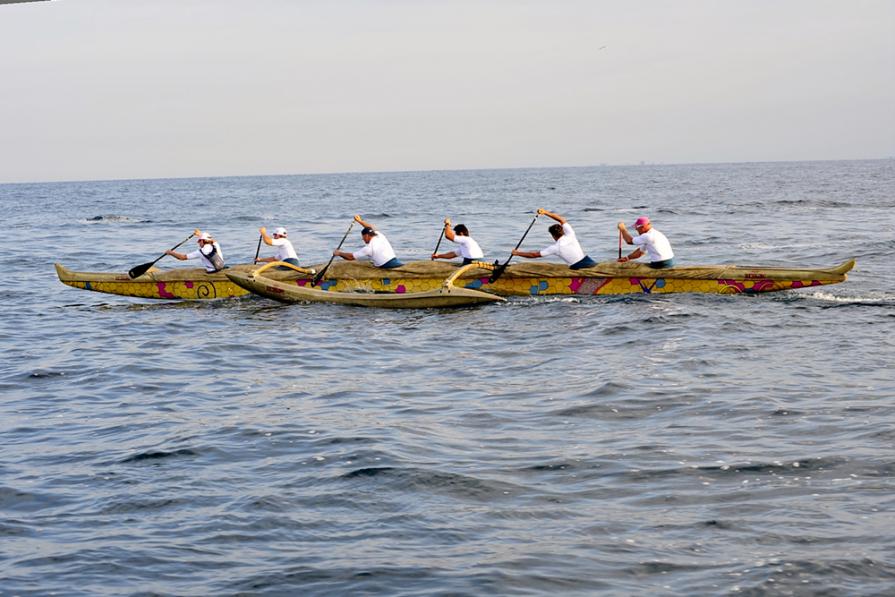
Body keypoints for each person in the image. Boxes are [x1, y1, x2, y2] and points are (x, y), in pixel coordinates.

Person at [511, 209, 597, 269]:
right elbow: (561, 220)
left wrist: (517, 253)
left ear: (553, 235)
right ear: (563, 231)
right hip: (589, 261)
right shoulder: (570, 234)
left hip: (578, 267)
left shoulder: (556, 247)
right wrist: (545, 212)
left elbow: (534, 255)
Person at [333, 214, 403, 269]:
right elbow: (370, 227)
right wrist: (360, 221)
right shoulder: (379, 235)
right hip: (395, 261)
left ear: (366, 236)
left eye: (363, 237)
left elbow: (351, 257)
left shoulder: (369, 248)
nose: (363, 239)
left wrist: (339, 253)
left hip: (387, 265)